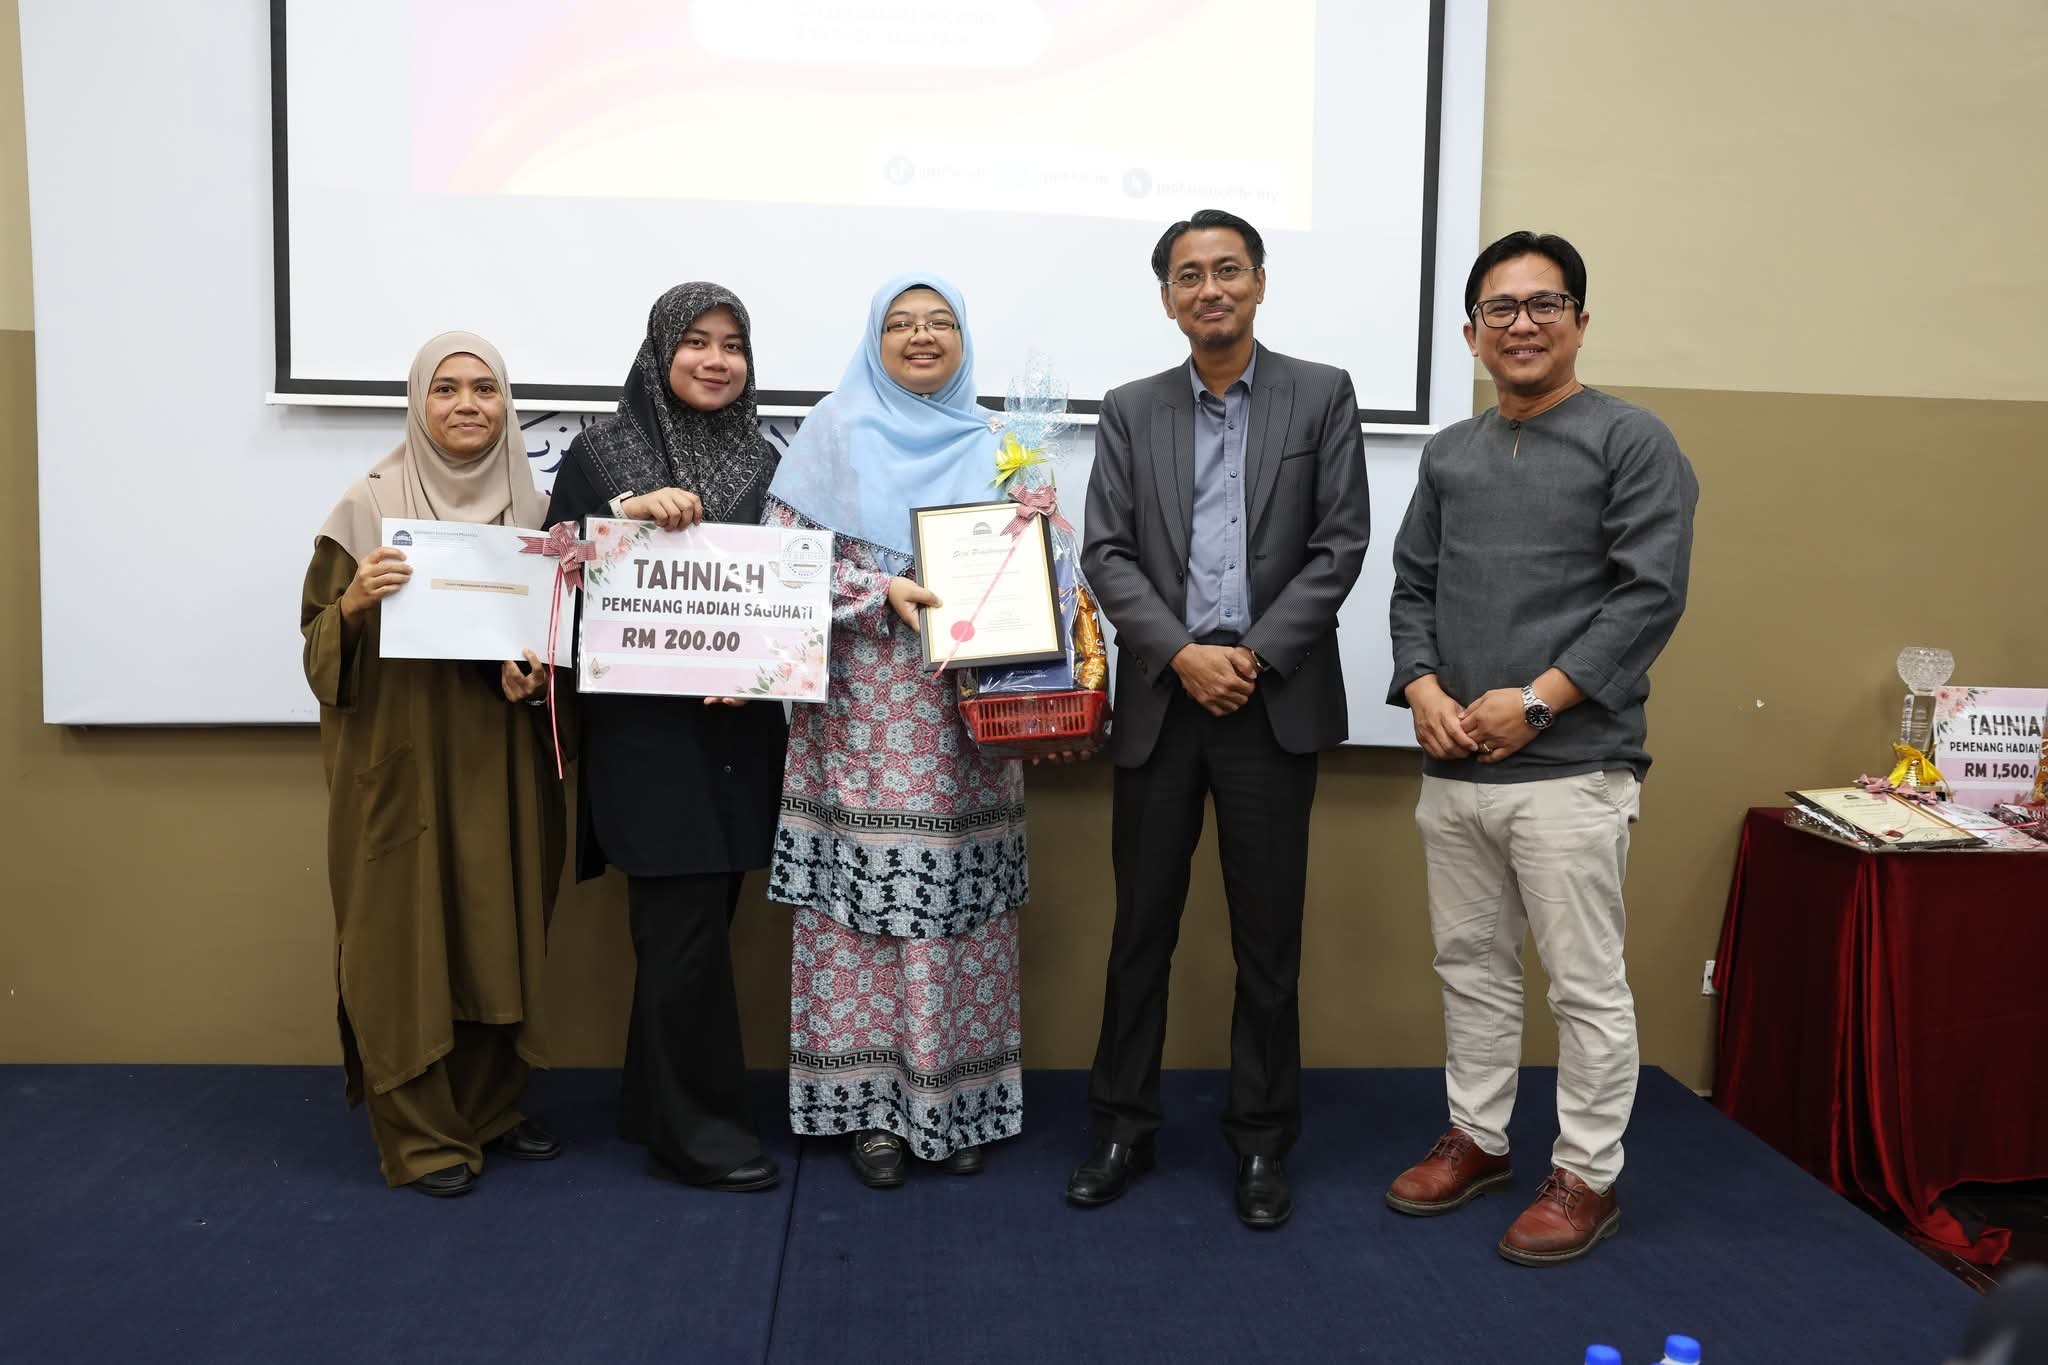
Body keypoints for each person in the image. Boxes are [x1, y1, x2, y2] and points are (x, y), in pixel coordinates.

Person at [1383, 231, 1698, 1265]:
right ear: (1470, 332)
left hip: (1572, 768)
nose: (1521, 324)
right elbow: (1413, 586)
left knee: (1582, 984)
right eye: (1500, 308)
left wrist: (1537, 703)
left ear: (1579, 321)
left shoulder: (1631, 439)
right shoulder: (1449, 453)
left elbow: (1647, 596)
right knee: (1470, 967)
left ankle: (1585, 1176)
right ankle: (1477, 1139)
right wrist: (1422, 689)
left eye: (1543, 304)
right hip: (1454, 769)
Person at [1071, 209, 1371, 1229]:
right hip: (1166, 698)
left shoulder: (1320, 394)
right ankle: (1121, 1126)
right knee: (1139, 934)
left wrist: (1250, 656)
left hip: (1268, 699)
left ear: (1258, 281)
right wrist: (1182, 654)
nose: (1211, 288)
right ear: (1166, 298)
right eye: (1189, 275)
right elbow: (1106, 551)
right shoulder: (1130, 408)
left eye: (1228, 269)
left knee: (1267, 942)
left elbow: (1339, 544)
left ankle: (1260, 1142)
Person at [764, 273, 1027, 1187]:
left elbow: (1043, 574)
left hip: (969, 725)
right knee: (860, 918)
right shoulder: (831, 432)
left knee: (958, 913)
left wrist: (1043, 531)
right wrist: (882, 591)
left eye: (941, 321)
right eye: (902, 324)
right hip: (859, 720)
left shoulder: (1001, 444)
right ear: (874, 340)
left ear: (963, 338)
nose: (922, 336)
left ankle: (953, 1104)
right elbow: (782, 566)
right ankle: (871, 1113)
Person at [301, 332, 565, 1198]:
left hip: (501, 764)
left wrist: (536, 681)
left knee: (497, 927)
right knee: (401, 937)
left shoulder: (537, 514)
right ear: (418, 402)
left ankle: (487, 1108)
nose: (466, 405)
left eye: (485, 388)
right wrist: (353, 602)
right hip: (401, 764)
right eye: (445, 388)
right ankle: (418, 1134)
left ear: (507, 404)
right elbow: (315, 652)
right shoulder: (366, 509)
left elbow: (558, 648)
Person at [544, 282, 787, 1193]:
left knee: (701, 926)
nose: (716, 360)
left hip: (738, 730)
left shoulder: (767, 461)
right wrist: (625, 517)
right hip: (646, 739)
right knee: (681, 934)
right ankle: (701, 1137)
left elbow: (788, 590)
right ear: (659, 351)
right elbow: (556, 569)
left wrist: (765, 666)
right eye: (696, 341)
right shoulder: (602, 453)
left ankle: (653, 1104)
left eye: (733, 344)